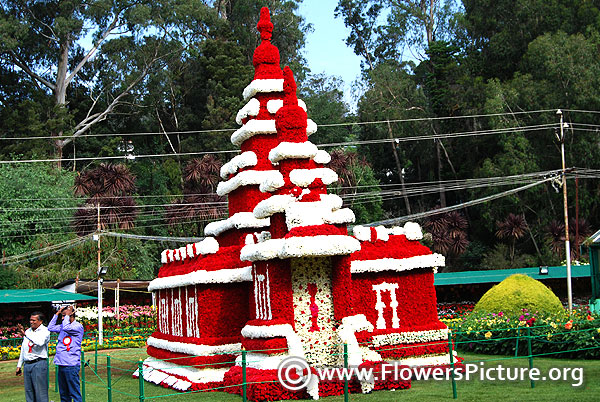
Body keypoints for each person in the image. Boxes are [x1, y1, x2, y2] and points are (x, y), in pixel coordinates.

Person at [48, 305, 84, 402]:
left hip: (71, 365)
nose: (63, 318)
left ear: (71, 315)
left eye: (64, 316)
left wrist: (68, 314)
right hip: (61, 363)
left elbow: (67, 327)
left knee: (74, 393)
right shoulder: (63, 326)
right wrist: (58, 313)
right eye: (62, 316)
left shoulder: (77, 326)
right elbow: (50, 327)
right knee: (64, 394)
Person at [16, 311, 51, 402]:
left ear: (40, 321)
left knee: (40, 392)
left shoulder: (45, 331)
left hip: (38, 363)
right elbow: (24, 349)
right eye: (30, 320)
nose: (31, 322)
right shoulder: (28, 331)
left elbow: (40, 342)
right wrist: (19, 365)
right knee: (29, 391)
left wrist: (25, 334)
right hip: (27, 364)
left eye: (34, 320)